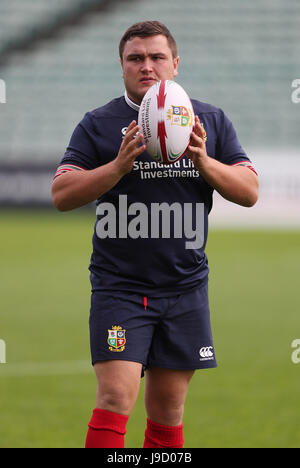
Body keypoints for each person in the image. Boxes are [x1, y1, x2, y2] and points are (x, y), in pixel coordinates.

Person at [52, 21, 258, 448]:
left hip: (185, 289)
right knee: (115, 396)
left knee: (168, 409)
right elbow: (61, 194)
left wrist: (205, 163)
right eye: (136, 58)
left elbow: (249, 191)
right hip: (120, 289)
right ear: (123, 67)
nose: (147, 66)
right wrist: (116, 167)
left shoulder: (210, 122)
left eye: (157, 57)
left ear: (175, 64)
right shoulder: (99, 124)